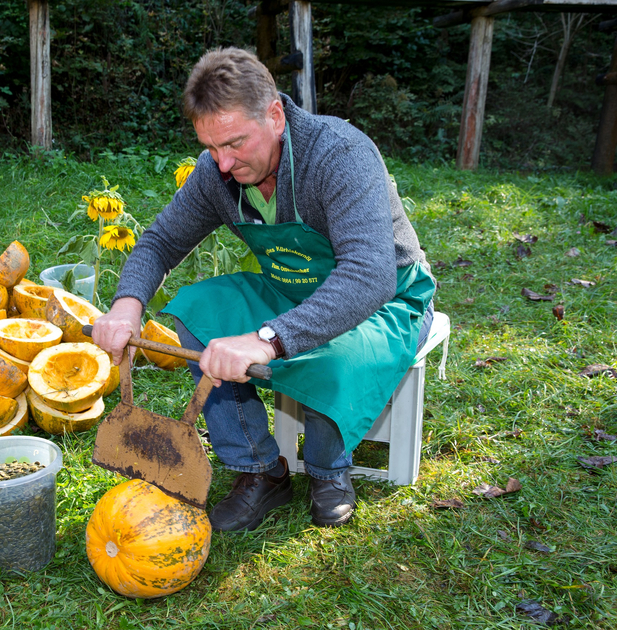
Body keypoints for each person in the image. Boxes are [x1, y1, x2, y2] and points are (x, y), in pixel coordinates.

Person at [91, 47, 436, 532]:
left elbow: (369, 275)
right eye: (211, 148)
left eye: (234, 144)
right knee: (197, 310)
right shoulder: (216, 172)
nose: (223, 164)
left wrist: (267, 339)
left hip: (388, 298)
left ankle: (327, 472)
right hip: (293, 291)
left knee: (329, 352)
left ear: (275, 115)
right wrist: (126, 307)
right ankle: (258, 471)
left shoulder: (338, 154)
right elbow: (162, 241)